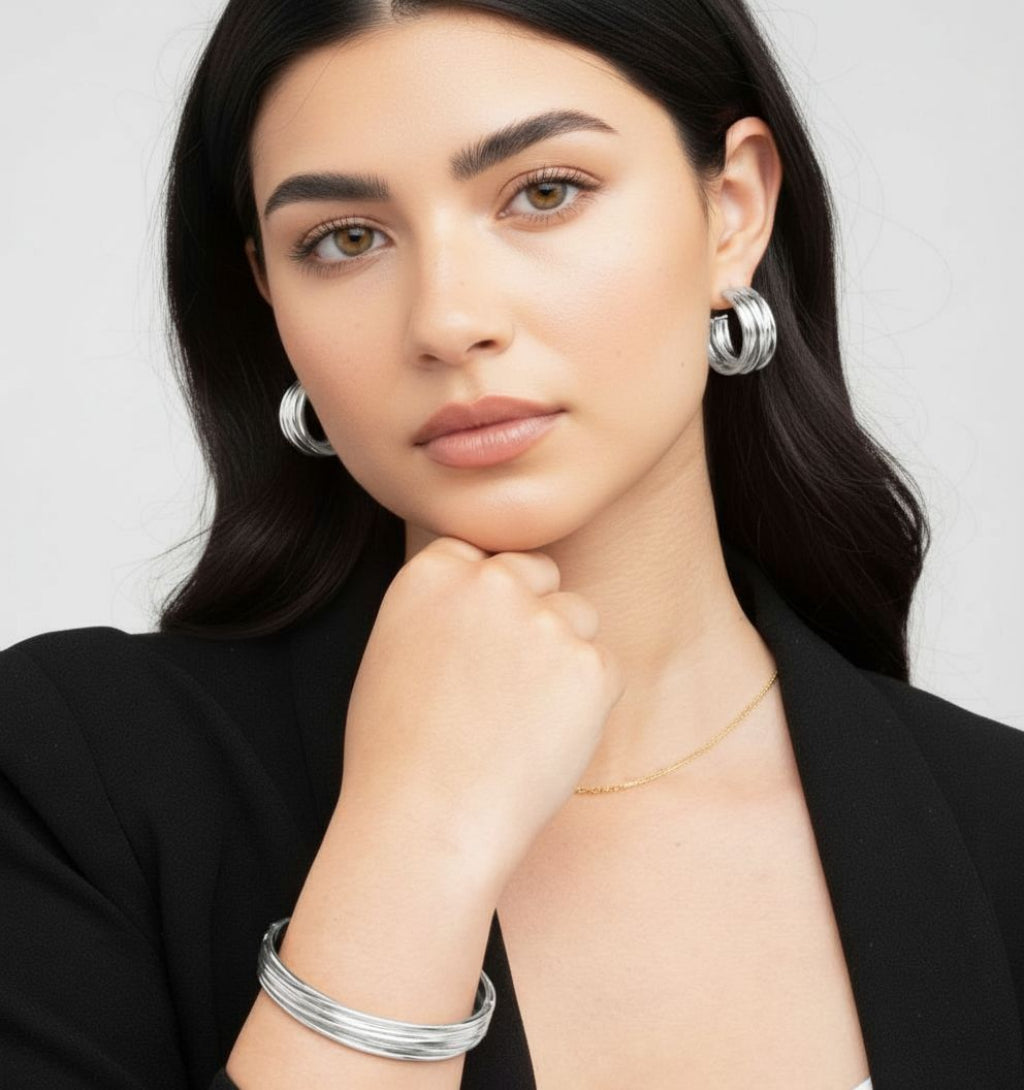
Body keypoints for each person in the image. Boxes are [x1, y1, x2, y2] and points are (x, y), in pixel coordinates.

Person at [1, 0, 1022, 1087]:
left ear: (732, 210)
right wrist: (413, 840)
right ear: (270, 296)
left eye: (544, 192)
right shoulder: (72, 782)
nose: (447, 320)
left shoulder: (997, 827)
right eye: (345, 239)